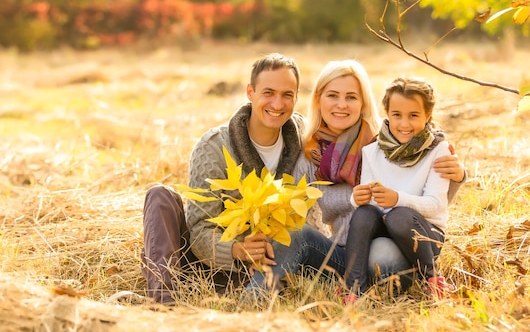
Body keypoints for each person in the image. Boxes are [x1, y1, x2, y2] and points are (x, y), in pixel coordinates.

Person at [143, 52, 341, 304]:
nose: (278, 104)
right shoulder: (214, 146)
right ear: (250, 92)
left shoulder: (307, 138)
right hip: (208, 263)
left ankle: (249, 295)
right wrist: (237, 249)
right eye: (268, 93)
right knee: (160, 196)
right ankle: (163, 302)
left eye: (287, 95)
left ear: (296, 97)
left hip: (269, 266)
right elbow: (199, 228)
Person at [292, 60, 465, 293]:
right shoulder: (312, 155)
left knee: (386, 245)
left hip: (397, 241)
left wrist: (458, 176)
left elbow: (433, 204)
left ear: (363, 102)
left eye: (351, 97)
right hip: (350, 249)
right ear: (318, 99)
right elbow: (295, 212)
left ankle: (423, 278)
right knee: (308, 232)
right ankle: (352, 287)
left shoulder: (381, 141)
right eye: (333, 95)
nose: (341, 105)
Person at [344, 77, 454, 302]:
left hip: (424, 234)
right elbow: (370, 204)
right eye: (397, 115)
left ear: (428, 114)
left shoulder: (438, 151)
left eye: (413, 115)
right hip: (384, 230)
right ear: (387, 112)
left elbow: (437, 205)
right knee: (363, 213)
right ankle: (354, 290)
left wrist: (397, 199)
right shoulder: (372, 152)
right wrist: (358, 199)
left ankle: (431, 278)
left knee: (399, 216)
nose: (404, 124)